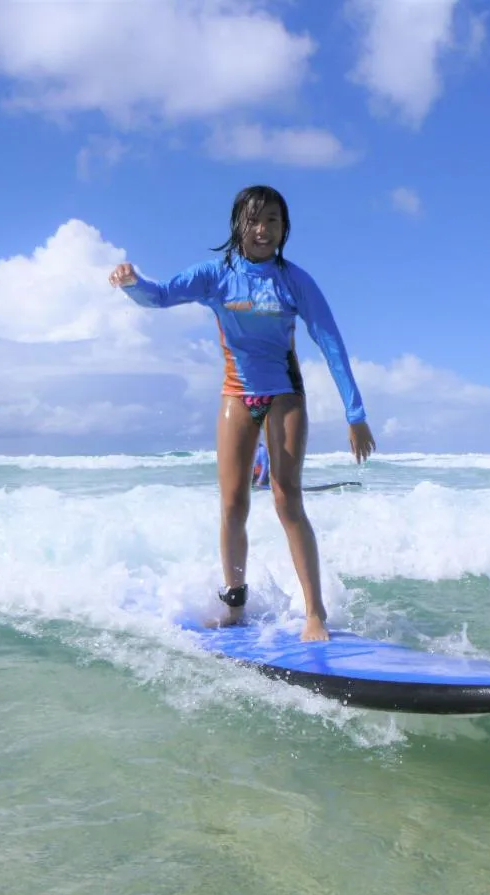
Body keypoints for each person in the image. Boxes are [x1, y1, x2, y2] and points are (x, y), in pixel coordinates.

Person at [109, 185, 375, 641]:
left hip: (285, 395)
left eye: (273, 220)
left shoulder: (294, 280)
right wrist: (133, 283)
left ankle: (315, 613)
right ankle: (235, 605)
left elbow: (330, 341)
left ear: (284, 227)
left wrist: (356, 413)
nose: (263, 229)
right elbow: (162, 295)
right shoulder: (215, 275)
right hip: (237, 394)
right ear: (238, 224)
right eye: (254, 219)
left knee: (287, 499)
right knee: (233, 503)